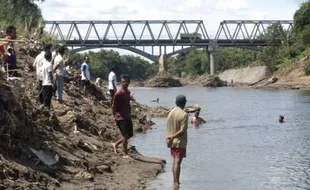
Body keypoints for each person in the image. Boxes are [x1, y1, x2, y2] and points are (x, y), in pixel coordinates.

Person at [166, 95, 188, 187]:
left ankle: (175, 181)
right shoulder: (184, 114)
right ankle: (176, 183)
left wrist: (169, 138)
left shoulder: (171, 112)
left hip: (171, 142)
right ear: (184, 103)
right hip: (179, 141)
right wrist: (173, 137)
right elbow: (182, 131)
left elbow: (168, 126)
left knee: (175, 161)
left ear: (176, 103)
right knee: (177, 162)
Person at [112, 74, 135, 159]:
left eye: (126, 82)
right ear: (121, 82)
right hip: (120, 117)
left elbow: (127, 100)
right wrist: (114, 116)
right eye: (123, 82)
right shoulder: (119, 93)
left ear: (129, 82)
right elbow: (113, 106)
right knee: (125, 135)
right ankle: (125, 154)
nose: (125, 83)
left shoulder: (127, 92)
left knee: (130, 135)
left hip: (127, 116)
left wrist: (131, 98)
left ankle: (116, 144)